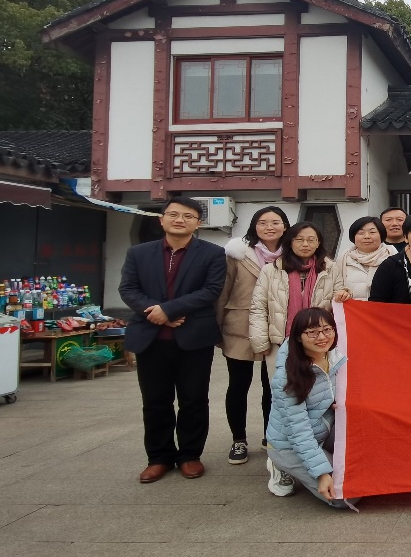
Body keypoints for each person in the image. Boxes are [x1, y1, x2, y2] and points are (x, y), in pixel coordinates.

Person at [119, 197, 226, 484]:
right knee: (155, 401)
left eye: (188, 216)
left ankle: (190, 455)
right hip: (151, 338)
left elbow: (211, 290)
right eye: (174, 214)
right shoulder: (138, 253)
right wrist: (157, 313)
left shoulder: (213, 253)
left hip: (195, 339)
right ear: (162, 219)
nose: (180, 220)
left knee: (194, 399)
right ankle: (159, 457)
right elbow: (128, 289)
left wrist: (169, 310)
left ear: (198, 223)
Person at [217, 205, 289, 465]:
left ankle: (270, 436)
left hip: (278, 327)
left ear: (285, 226)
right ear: (254, 227)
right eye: (262, 222)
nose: (269, 227)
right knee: (239, 385)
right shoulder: (237, 254)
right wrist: (217, 326)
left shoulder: (292, 254)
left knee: (273, 386)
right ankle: (239, 439)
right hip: (240, 326)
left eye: (275, 222)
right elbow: (223, 291)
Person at [265, 307, 350, 508]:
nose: (322, 337)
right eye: (312, 332)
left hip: (323, 431)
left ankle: (318, 463)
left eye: (327, 330)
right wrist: (321, 473)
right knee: (345, 498)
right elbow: (298, 432)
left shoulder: (336, 358)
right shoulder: (287, 378)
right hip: (290, 444)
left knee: (364, 475)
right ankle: (281, 465)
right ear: (298, 337)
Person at [249, 222, 335, 382]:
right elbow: (258, 307)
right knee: (281, 389)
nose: (305, 244)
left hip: (319, 343)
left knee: (317, 389)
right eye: (299, 239)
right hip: (280, 343)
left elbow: (338, 304)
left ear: (318, 243)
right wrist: (260, 341)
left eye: (311, 240)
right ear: (290, 242)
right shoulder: (271, 270)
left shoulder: (331, 270)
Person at [330, 217, 397, 304]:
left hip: (384, 310)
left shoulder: (393, 257)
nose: (367, 236)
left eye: (372, 232)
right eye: (361, 233)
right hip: (354, 311)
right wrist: (342, 293)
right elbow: (335, 287)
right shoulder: (344, 258)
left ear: (381, 235)